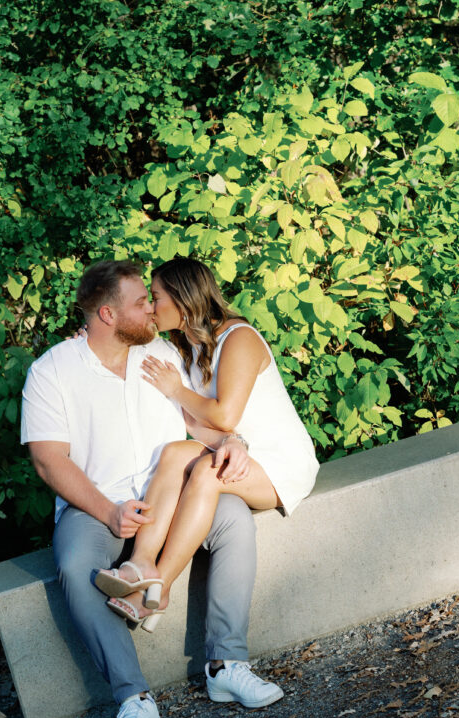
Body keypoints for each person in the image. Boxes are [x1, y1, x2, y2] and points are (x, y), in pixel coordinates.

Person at [20, 259, 284, 718]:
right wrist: (109, 511)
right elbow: (48, 461)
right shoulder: (52, 371)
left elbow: (200, 417)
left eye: (151, 298)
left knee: (233, 523)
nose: (152, 307)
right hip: (96, 506)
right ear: (106, 314)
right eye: (141, 301)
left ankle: (226, 666)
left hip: (172, 492)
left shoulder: (162, 354)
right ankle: (135, 700)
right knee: (75, 566)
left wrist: (235, 441)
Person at [95, 257, 319, 632]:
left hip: (282, 465)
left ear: (183, 299)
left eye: (156, 296)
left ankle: (160, 588)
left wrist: (178, 391)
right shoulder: (193, 348)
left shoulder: (239, 338)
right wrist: (86, 345)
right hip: (238, 454)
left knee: (206, 471)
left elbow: (225, 415)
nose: (151, 306)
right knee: (173, 453)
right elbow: (193, 424)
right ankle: (142, 563)